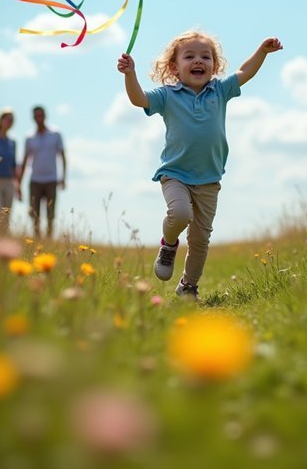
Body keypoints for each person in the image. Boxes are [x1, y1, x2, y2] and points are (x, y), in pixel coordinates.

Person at [117, 31, 283, 299]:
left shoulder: (220, 89)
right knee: (180, 213)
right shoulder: (168, 95)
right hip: (175, 174)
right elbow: (139, 99)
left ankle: (188, 286)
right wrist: (129, 74)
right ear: (174, 67)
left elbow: (245, 72)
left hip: (208, 178)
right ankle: (169, 245)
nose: (199, 61)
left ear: (214, 66)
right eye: (190, 56)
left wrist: (262, 52)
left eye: (206, 57)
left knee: (200, 239)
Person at [19, 105, 66, 239]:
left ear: (45, 116)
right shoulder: (29, 137)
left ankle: (49, 239)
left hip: (51, 180)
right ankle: (37, 240)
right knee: (34, 214)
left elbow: (62, 156)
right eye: (36, 116)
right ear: (33, 118)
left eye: (41, 115)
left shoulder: (55, 135)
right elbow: (24, 161)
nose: (39, 118)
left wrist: (63, 177)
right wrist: (19, 184)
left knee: (51, 214)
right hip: (35, 181)